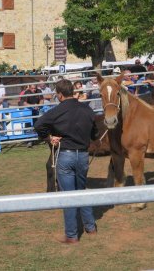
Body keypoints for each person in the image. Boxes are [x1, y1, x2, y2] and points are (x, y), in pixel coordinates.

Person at [34, 79, 98, 244]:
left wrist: (49, 137)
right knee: (82, 190)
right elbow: (95, 132)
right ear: (73, 92)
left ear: (60, 95)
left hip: (65, 155)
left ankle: (71, 235)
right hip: (83, 155)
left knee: (68, 195)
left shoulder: (57, 110)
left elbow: (39, 125)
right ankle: (90, 227)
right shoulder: (87, 109)